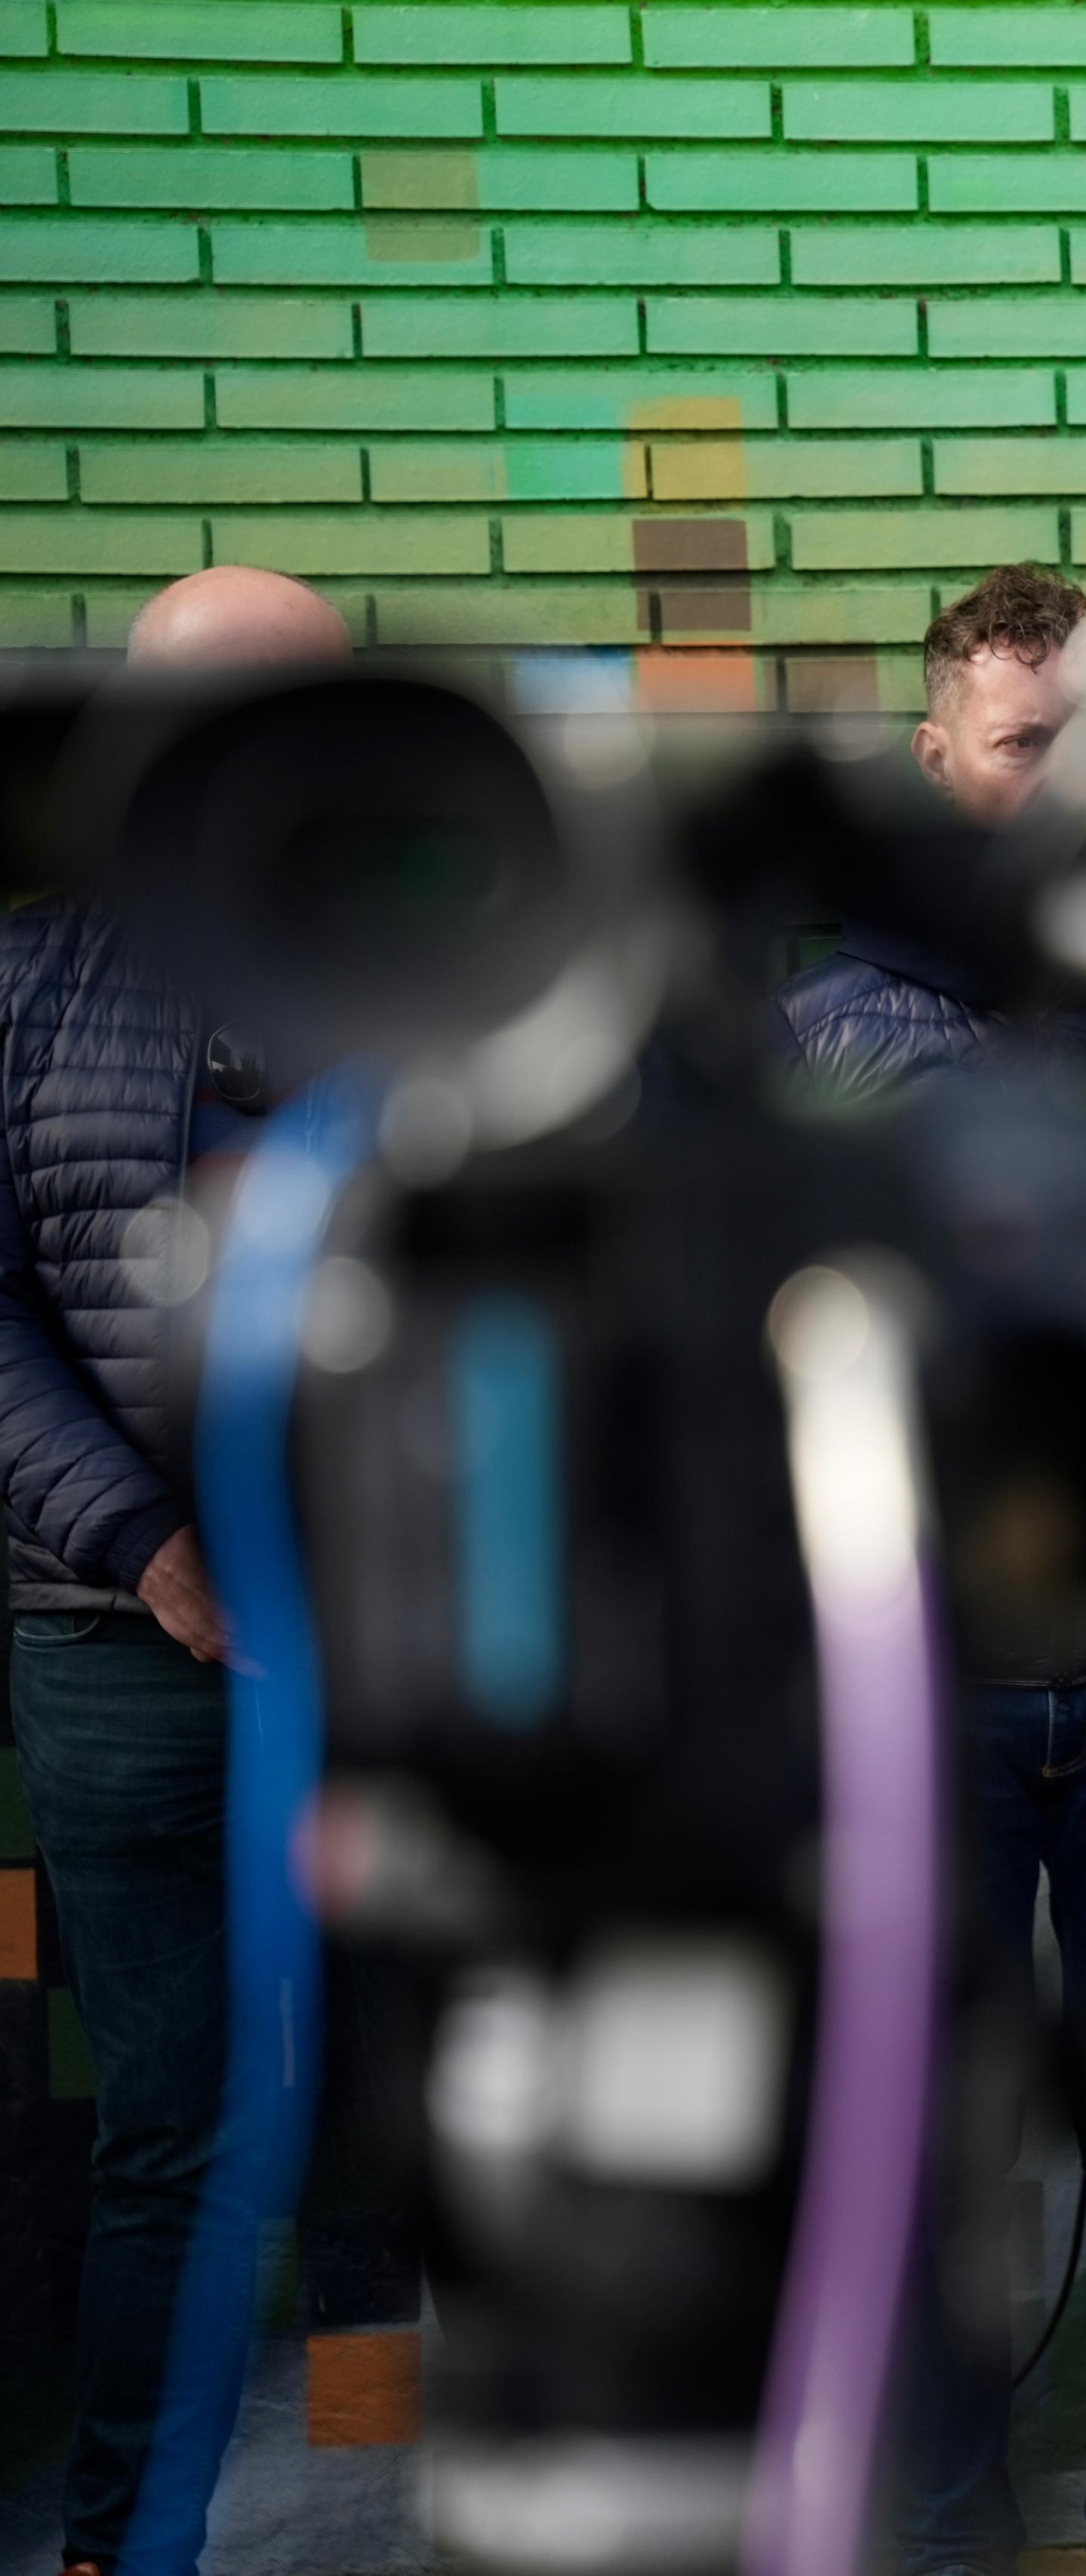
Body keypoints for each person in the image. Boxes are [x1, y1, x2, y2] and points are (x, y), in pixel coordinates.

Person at [780, 562, 1086, 2576]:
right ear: (931, 760)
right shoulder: (817, 1025)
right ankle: (952, 2530)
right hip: (922, 1669)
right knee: (933, 2125)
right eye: (1014, 749)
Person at [3, 565, 368, 2576]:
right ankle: (127, 2541)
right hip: (120, 1648)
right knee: (174, 2131)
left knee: (492, 2095)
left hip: (426, 1648)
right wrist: (144, 1545)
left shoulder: (459, 953)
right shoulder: (30, 972)